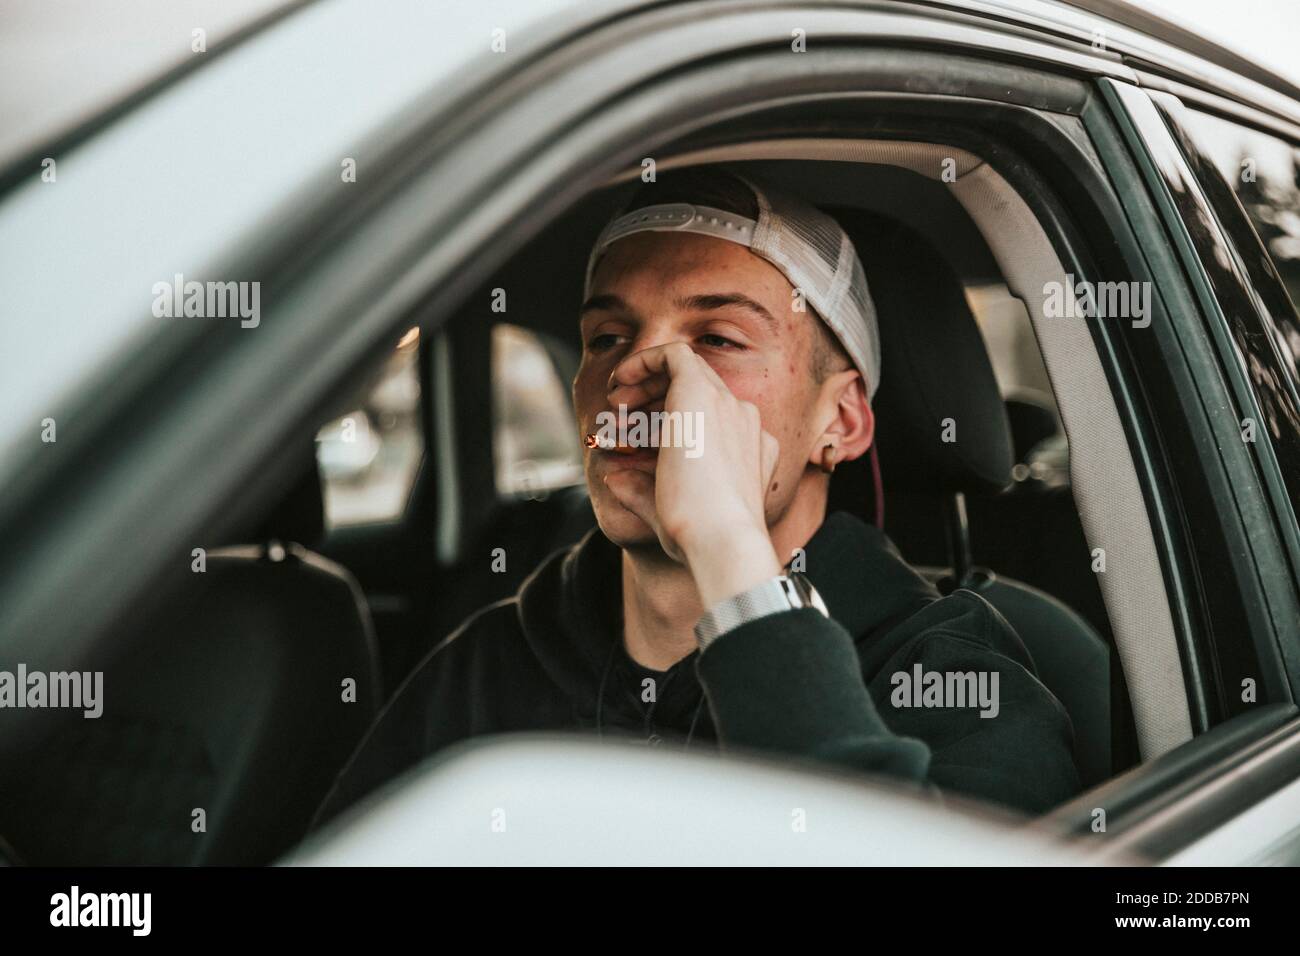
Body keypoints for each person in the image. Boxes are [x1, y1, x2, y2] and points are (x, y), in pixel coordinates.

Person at [312, 166, 1080, 827]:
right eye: (608, 339)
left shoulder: (951, 678)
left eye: (716, 339)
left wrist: (725, 544)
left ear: (839, 422)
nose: (635, 375)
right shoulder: (491, 664)